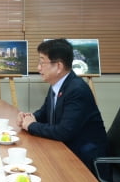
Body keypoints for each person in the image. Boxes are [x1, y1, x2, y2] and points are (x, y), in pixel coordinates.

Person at [17, 38, 108, 174]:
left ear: (58, 66)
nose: (38, 68)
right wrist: (29, 117)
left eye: (42, 62)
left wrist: (31, 125)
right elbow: (44, 113)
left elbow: (64, 132)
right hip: (66, 151)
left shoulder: (77, 90)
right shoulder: (58, 84)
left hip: (85, 161)